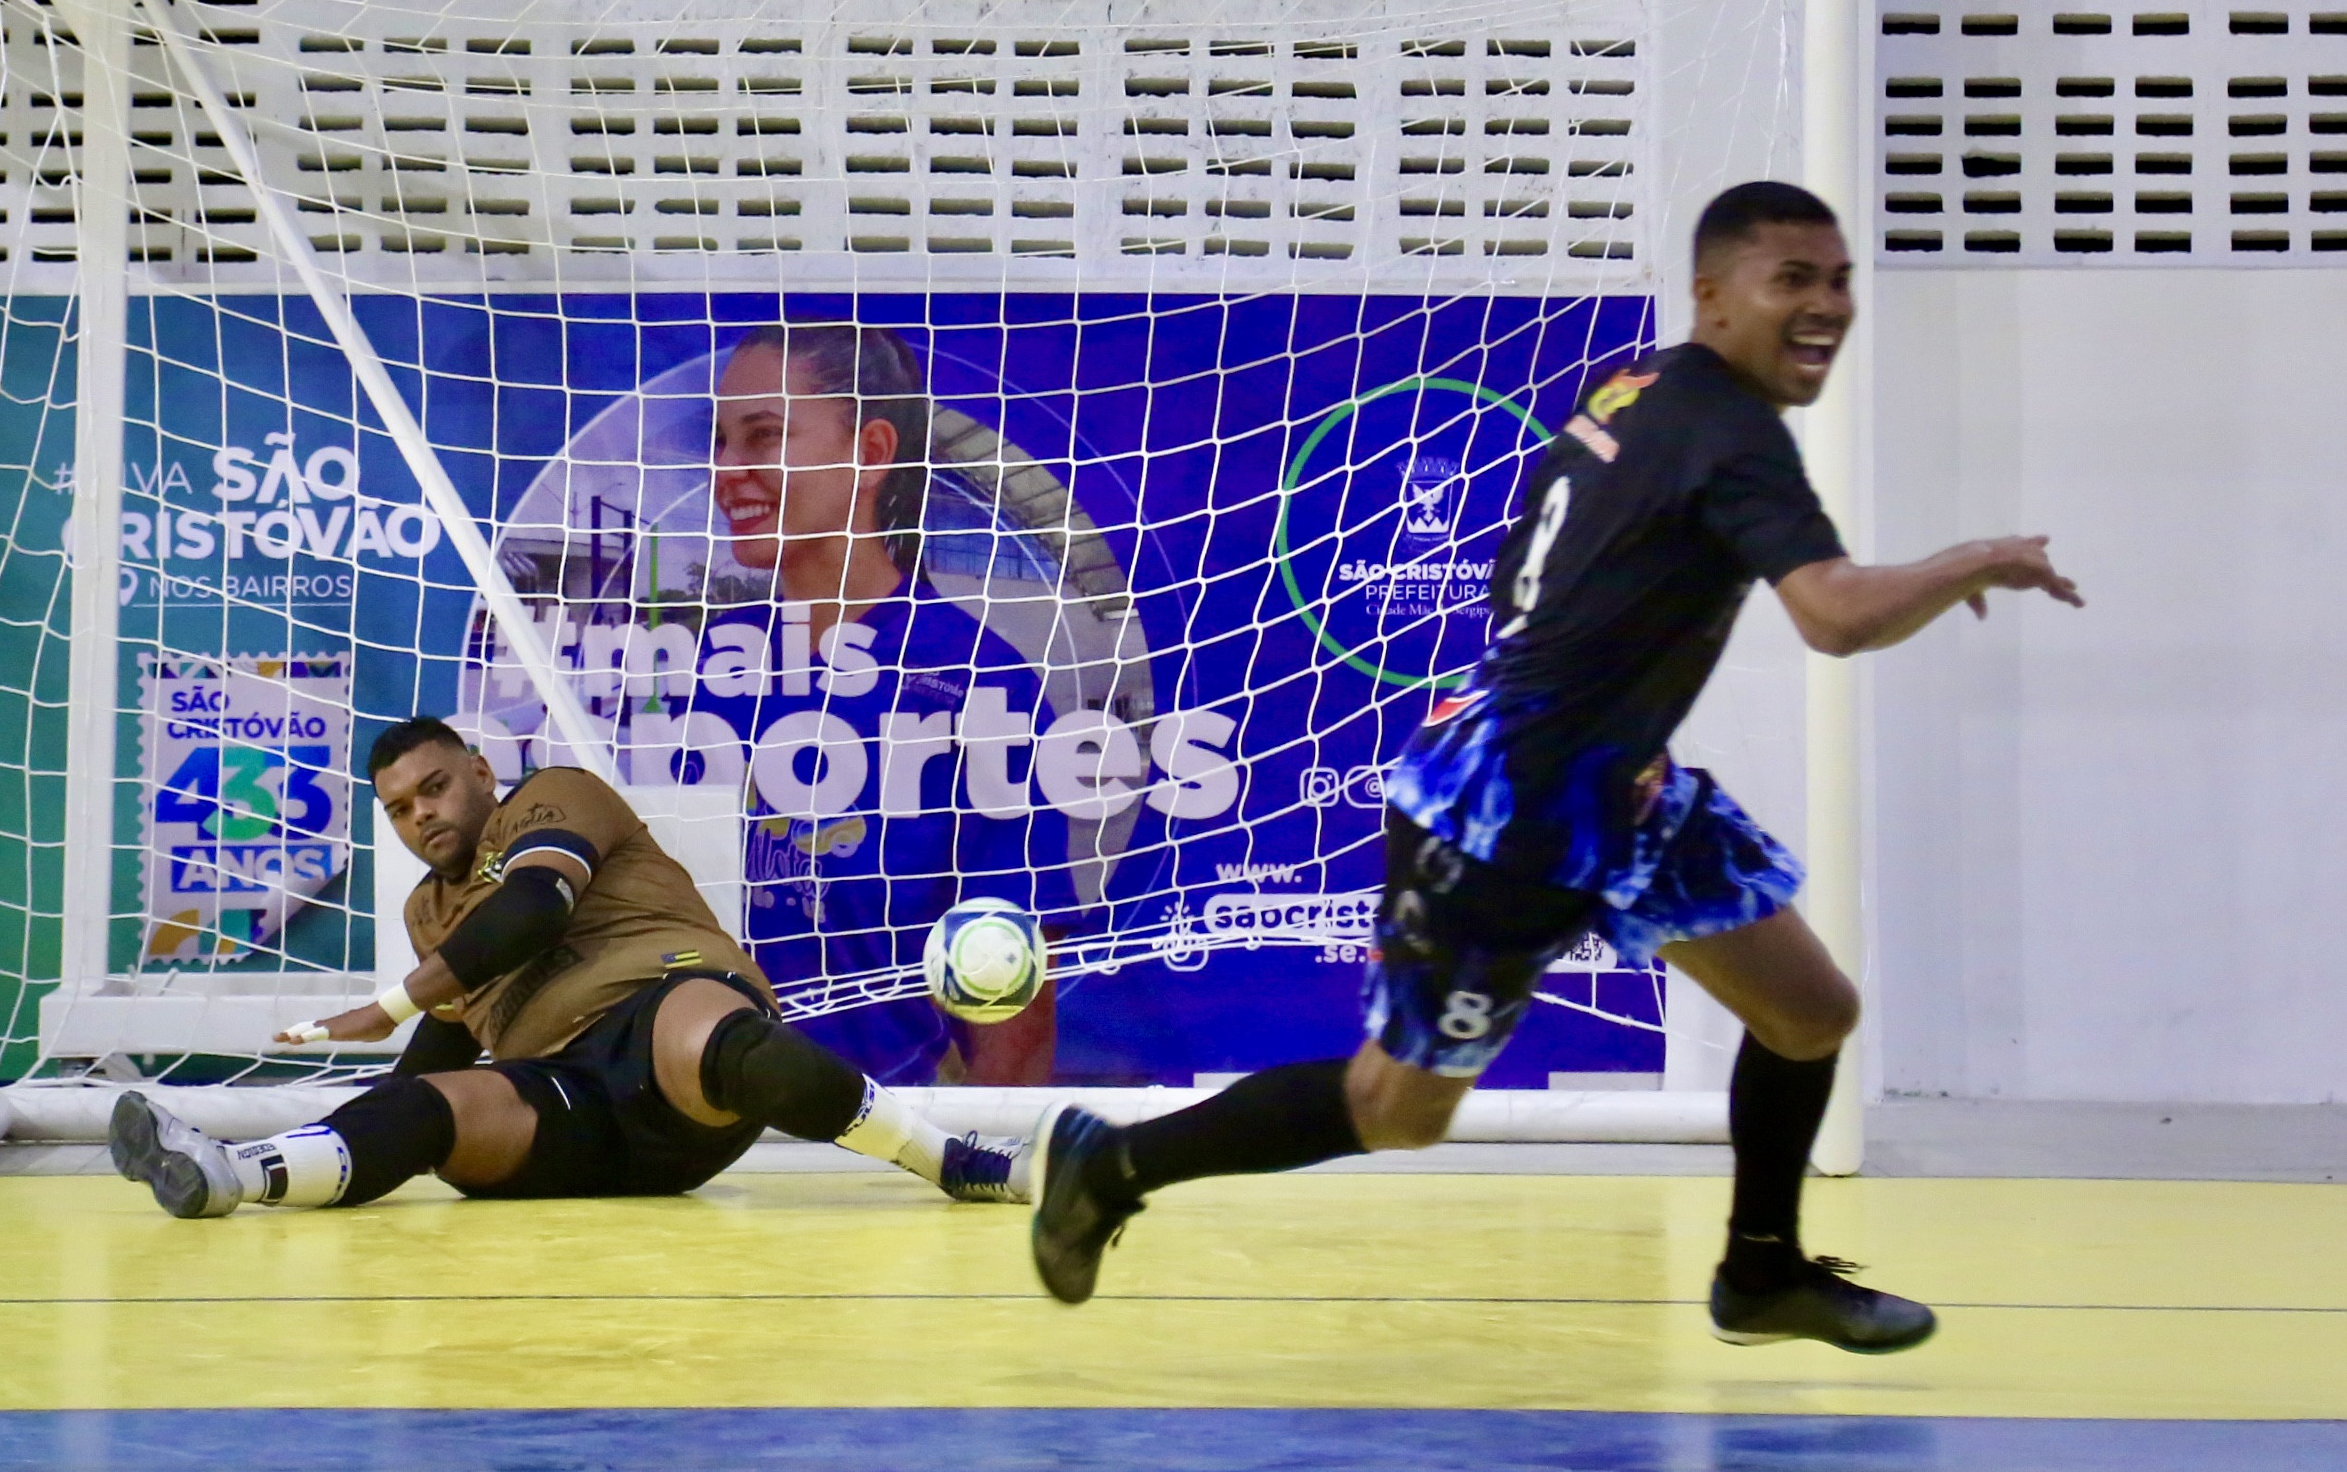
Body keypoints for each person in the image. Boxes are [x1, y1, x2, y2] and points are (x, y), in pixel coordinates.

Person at [1027, 181, 2085, 1353]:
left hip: (1624, 787)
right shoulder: (1734, 438)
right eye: (1792, 280)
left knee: (1808, 1013)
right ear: (1712, 296)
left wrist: (1607, 708)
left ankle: (1763, 1271)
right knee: (1397, 1110)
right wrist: (1970, 559)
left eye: (1837, 280)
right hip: (1508, 814)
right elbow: (1831, 619)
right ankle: (1111, 1162)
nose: (1825, 306)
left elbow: (1537, 562)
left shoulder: (1638, 384)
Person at [110, 717, 1029, 1218]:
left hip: (665, 1017)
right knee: (429, 1112)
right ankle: (235, 1173)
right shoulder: (428, 911)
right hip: (564, 1100)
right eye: (397, 808)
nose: (420, 815)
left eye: (434, 787)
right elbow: (446, 1038)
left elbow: (535, 907)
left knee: (720, 1039)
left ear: (479, 770)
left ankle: (952, 1160)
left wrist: (388, 1000)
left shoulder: (552, 796)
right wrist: (383, 1111)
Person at [686, 320, 1071, 1086]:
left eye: (763, 436)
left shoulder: (976, 676)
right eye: (721, 440)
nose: (728, 469)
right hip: (707, 1124)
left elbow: (1011, 978)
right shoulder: (710, 669)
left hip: (888, 1132)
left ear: (871, 451)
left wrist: (981, 1153)